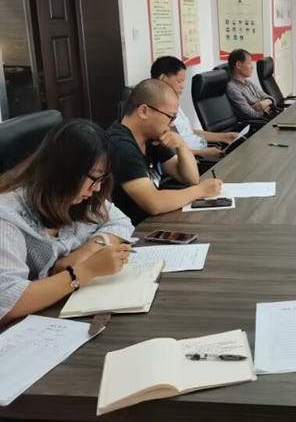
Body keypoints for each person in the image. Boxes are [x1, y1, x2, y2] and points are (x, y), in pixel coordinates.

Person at [0, 120, 135, 324]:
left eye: (102, 179)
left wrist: (88, 250)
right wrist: (85, 271)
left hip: (65, 310)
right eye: (95, 178)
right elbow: (8, 301)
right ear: (64, 172)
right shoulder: (7, 217)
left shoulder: (81, 198)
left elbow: (120, 221)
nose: (97, 188)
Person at [107, 79, 222, 225]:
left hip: (155, 222)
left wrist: (181, 145)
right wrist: (200, 191)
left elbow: (191, 178)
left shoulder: (151, 137)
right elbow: (153, 203)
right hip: (133, 230)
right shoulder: (120, 145)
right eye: (170, 117)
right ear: (144, 111)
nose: (172, 124)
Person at [151, 56, 238, 159]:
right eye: (179, 81)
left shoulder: (173, 102)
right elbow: (170, 151)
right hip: (194, 158)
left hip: (203, 148)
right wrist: (205, 152)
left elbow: (188, 132)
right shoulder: (157, 111)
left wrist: (225, 137)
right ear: (163, 78)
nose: (182, 86)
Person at [226, 49, 277, 121]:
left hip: (269, 118)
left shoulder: (248, 83)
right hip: (262, 123)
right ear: (238, 65)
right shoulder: (232, 88)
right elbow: (251, 114)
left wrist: (267, 102)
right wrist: (268, 107)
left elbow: (271, 99)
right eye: (249, 63)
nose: (252, 67)